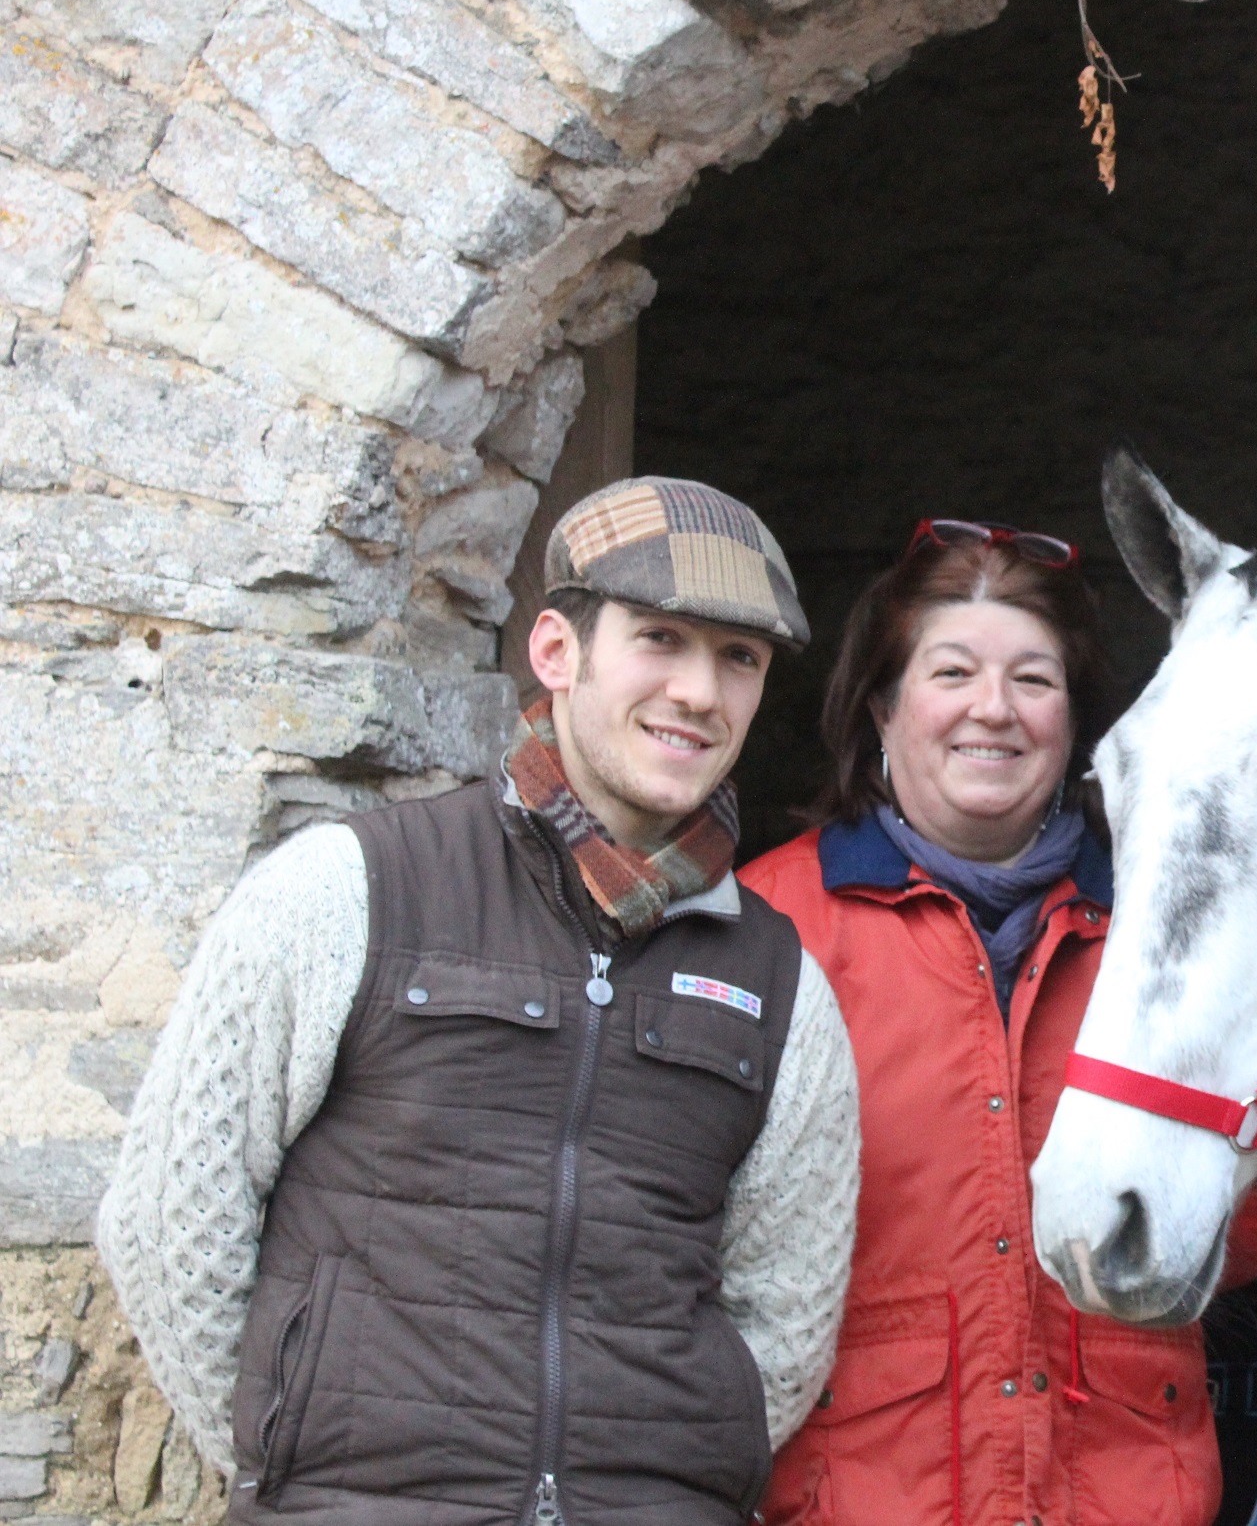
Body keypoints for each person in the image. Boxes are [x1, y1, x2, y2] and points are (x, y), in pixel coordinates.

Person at [97, 478, 862, 1526]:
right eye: (660, 639)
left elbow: (786, 1319)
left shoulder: (780, 982)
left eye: (740, 659)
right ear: (555, 650)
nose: (699, 691)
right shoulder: (349, 890)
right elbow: (169, 1224)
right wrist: (288, 1462)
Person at [739, 518, 1257, 1526]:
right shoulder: (767, 929)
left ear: (1078, 724)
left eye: (1034, 680)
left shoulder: (1173, 931)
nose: (993, 711)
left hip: (1124, 1496)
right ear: (883, 706)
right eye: (953, 671)